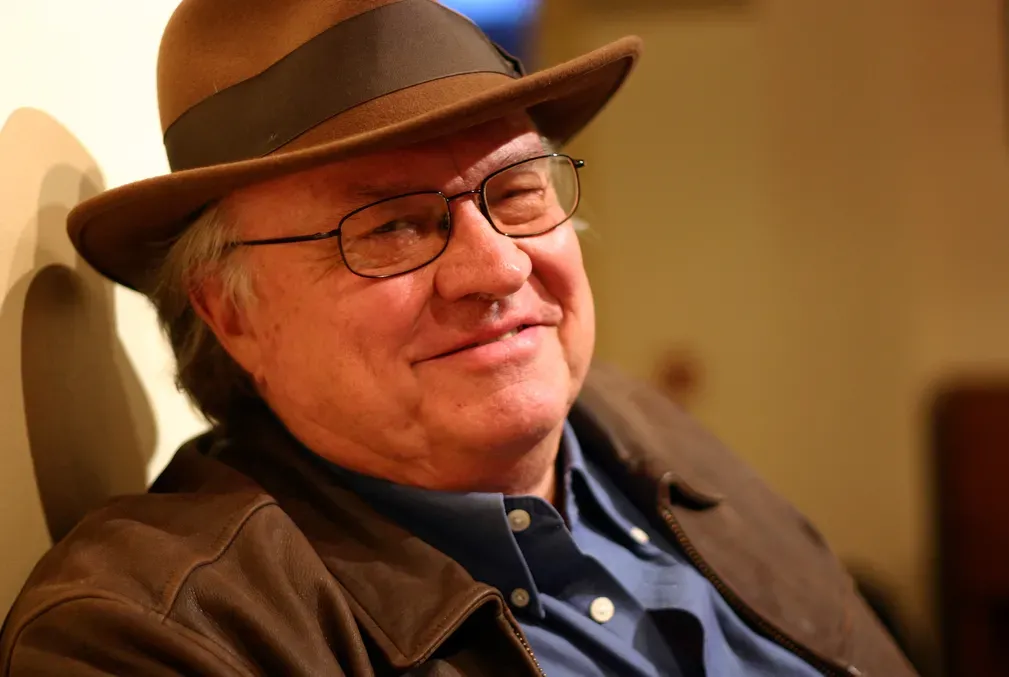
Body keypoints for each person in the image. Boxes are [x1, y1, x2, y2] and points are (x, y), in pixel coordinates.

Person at [0, 0, 919, 675]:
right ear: (231, 312)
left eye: (518, 192)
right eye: (391, 226)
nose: (500, 268)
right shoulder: (157, 634)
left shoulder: (638, 426)